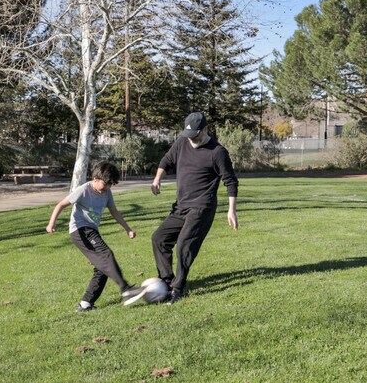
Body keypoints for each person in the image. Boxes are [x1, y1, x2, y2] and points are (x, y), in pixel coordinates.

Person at [151, 112, 239, 304]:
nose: (191, 139)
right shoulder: (182, 142)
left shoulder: (217, 152)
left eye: (195, 135)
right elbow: (167, 160)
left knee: (184, 245)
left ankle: (178, 288)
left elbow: (231, 181)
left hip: (202, 207)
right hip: (181, 206)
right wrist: (158, 178)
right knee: (159, 238)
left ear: (205, 129)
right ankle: (166, 281)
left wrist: (231, 209)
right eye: (188, 134)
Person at [46, 161, 143, 311]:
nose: (108, 187)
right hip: (80, 230)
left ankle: (85, 304)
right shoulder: (83, 190)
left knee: (102, 267)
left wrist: (127, 229)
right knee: (106, 255)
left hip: (91, 230)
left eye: (111, 184)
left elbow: (114, 211)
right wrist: (51, 223)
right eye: (106, 183)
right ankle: (126, 289)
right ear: (95, 178)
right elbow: (61, 205)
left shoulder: (106, 192)